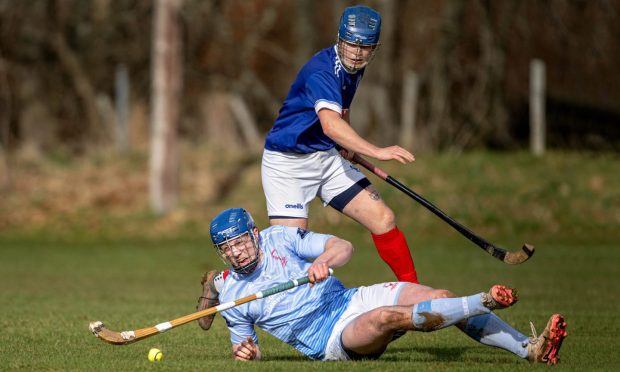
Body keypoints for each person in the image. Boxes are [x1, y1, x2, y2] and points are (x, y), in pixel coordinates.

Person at [202, 207, 568, 365]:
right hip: (332, 339)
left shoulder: (281, 238)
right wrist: (249, 354)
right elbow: (247, 351)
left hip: (349, 298)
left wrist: (322, 261)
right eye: (227, 248)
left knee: (440, 297)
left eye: (240, 242)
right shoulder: (233, 297)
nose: (236, 252)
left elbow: (342, 246)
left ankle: (530, 350)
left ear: (254, 234)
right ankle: (485, 299)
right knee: (388, 318)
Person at [261, 4, 419, 284]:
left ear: (374, 48)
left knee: (382, 218)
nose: (357, 53)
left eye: (366, 47)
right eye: (351, 45)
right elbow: (330, 124)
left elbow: (341, 112)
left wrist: (348, 145)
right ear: (339, 39)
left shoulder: (355, 67)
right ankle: (223, 279)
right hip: (288, 165)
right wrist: (376, 151)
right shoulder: (322, 71)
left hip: (325, 156)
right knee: (287, 252)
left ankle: (416, 295)